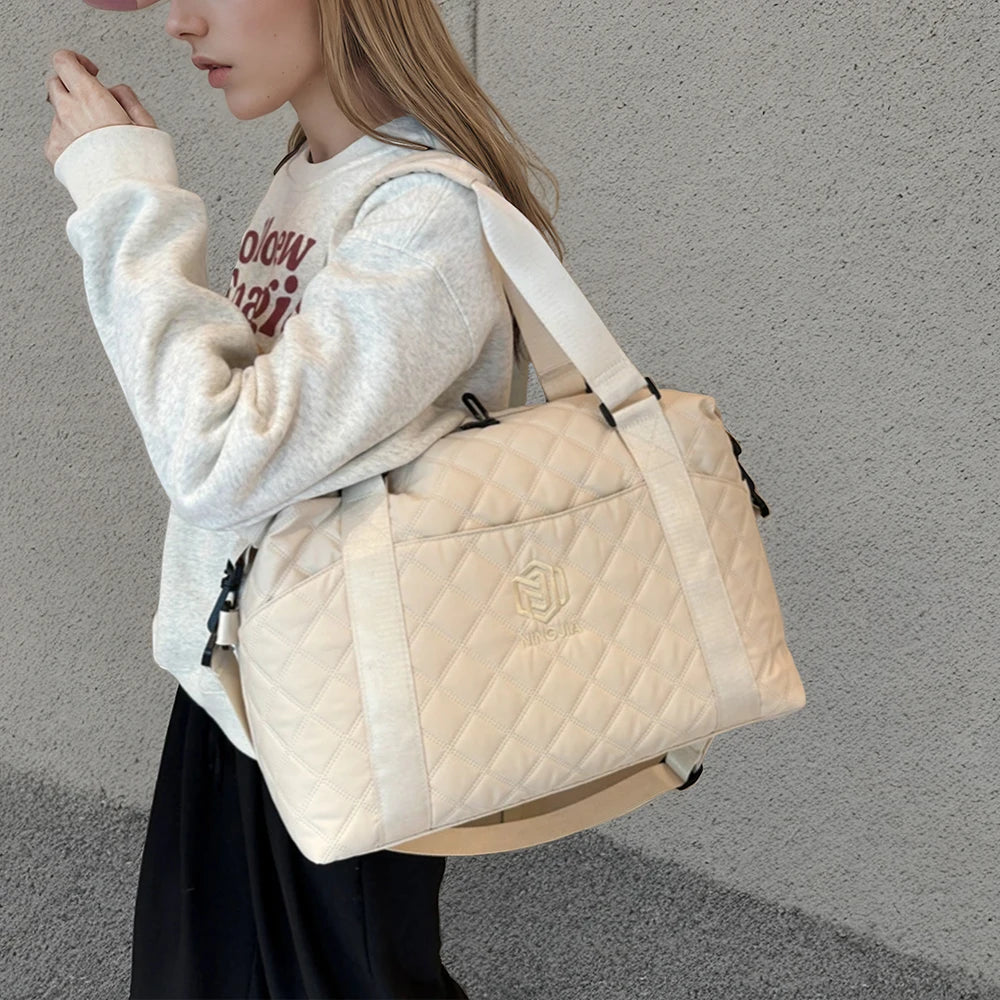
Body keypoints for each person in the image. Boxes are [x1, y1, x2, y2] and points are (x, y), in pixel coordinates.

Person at [44, 0, 565, 995]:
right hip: (242, 688)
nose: (180, 21)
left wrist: (124, 205)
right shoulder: (311, 174)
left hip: (348, 715)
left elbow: (218, 459)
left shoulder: (426, 214)